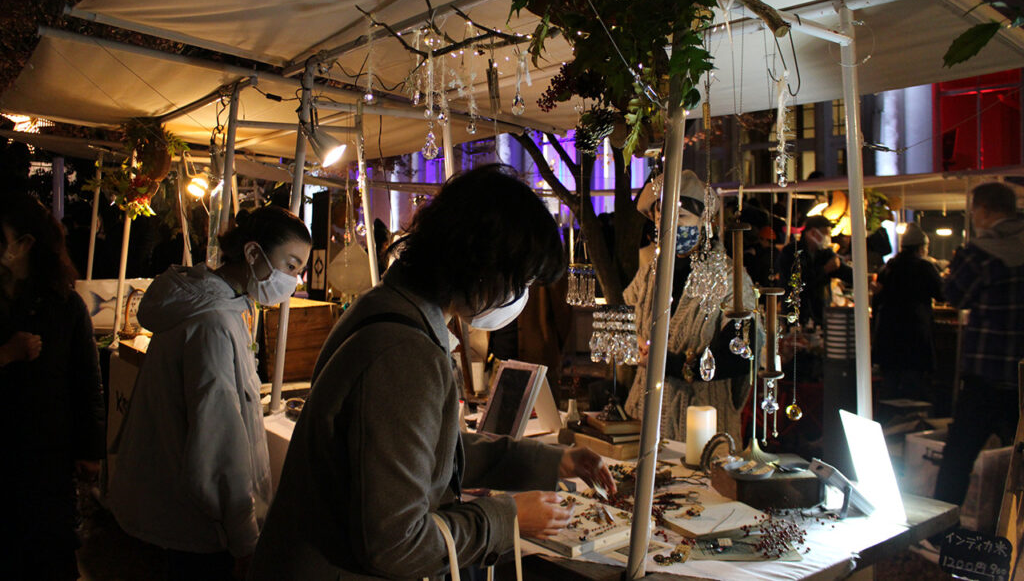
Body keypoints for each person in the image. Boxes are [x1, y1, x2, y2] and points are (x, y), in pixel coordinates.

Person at [249, 164, 615, 580]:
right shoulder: (404, 352)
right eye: (522, 281)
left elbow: (431, 453)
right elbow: (396, 544)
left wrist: (553, 461)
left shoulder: (390, 310)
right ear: (485, 268)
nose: (520, 298)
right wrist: (505, 518)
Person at [109, 206, 311, 581]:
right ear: (252, 254)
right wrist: (244, 539)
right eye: (292, 266)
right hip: (190, 530)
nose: (294, 281)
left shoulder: (217, 306)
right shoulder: (213, 323)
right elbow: (217, 448)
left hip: (168, 515)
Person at [0, 192, 105, 580]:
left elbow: (87, 379)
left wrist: (90, 450)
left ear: (24, 244)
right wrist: (6, 354)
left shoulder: (64, 304)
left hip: (47, 454)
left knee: (50, 552)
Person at [624, 171, 762, 442]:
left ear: (705, 221)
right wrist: (633, 343)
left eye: (682, 218)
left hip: (700, 428)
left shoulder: (729, 279)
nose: (670, 226)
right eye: (661, 218)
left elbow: (739, 356)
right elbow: (626, 319)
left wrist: (668, 363)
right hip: (641, 419)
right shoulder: (650, 273)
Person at [935, 182, 1024, 506]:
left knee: (959, 456)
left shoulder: (980, 252)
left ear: (984, 210)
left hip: (986, 371)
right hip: (1022, 378)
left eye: (974, 209)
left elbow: (956, 295)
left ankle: (942, 530)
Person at [871, 223, 943, 401]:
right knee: (914, 385)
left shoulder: (888, 268)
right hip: (915, 332)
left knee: (890, 385)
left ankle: (888, 422)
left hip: (888, 333)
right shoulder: (925, 268)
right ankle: (912, 422)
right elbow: (942, 294)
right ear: (921, 247)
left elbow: (877, 300)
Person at [778, 215, 852, 327]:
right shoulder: (790, 252)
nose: (828, 237)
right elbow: (797, 282)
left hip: (820, 314)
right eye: (826, 233)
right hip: (796, 312)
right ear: (812, 233)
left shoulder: (826, 254)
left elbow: (844, 272)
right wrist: (824, 270)